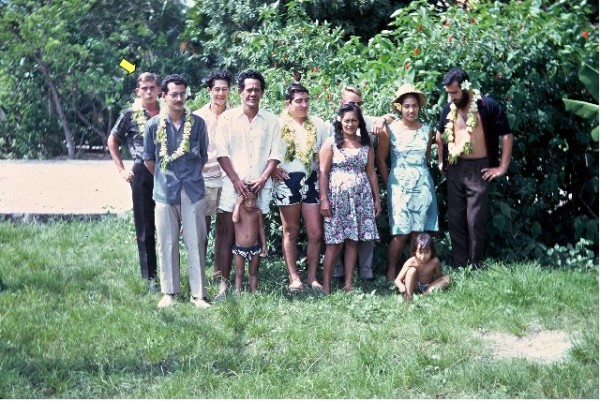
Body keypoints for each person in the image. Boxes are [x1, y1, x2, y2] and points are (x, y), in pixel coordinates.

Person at [143, 74, 210, 308]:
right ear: (164, 96)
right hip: (165, 191)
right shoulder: (153, 125)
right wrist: (165, 179)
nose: (179, 98)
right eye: (174, 94)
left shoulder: (198, 123)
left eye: (183, 94)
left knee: (196, 241)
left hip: (192, 189)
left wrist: (188, 176)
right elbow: (149, 161)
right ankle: (169, 292)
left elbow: (202, 156)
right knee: (167, 241)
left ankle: (198, 295)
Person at [215, 69, 283, 298]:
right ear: (240, 92)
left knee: (254, 233)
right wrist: (235, 180)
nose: (253, 93)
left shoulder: (271, 120)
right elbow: (222, 153)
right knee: (226, 233)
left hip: (259, 187)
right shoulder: (227, 119)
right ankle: (224, 284)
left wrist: (263, 178)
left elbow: (275, 153)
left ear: (262, 93)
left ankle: (252, 285)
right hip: (233, 185)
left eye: (257, 89)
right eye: (249, 89)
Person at [435, 67, 513, 268]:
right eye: (448, 93)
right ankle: (460, 264)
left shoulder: (487, 106)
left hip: (479, 169)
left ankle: (476, 264)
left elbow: (506, 135)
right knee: (455, 219)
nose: (451, 97)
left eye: (455, 92)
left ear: (466, 87)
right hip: (455, 167)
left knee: (474, 220)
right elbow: (439, 134)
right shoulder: (448, 108)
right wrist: (441, 160)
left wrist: (502, 167)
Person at [377, 83, 439, 281]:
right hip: (399, 185)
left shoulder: (426, 130)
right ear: (399, 108)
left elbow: (426, 158)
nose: (411, 110)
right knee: (401, 232)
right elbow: (380, 159)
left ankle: (414, 274)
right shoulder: (390, 130)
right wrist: (390, 183)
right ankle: (391, 272)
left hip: (422, 185)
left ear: (419, 107)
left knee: (417, 232)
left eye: (414, 106)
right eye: (406, 106)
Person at [272, 82, 330, 292]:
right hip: (287, 181)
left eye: (306, 100)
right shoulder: (277, 125)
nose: (304, 105)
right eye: (299, 101)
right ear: (288, 104)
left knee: (315, 232)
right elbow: (265, 151)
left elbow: (325, 153)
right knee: (290, 230)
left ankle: (313, 277)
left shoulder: (318, 124)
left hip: (311, 180)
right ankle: (294, 277)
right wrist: (271, 169)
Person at [332, 85, 394, 280]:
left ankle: (365, 271)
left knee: (365, 229)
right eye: (351, 103)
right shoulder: (333, 125)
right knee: (338, 231)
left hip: (362, 187)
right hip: (338, 188)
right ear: (342, 103)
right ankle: (337, 272)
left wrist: (382, 120)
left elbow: (393, 115)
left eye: (359, 104)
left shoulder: (365, 121)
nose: (355, 106)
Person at [319, 102, 381, 295]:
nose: (350, 124)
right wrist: (324, 199)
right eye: (347, 120)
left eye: (354, 120)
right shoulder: (331, 143)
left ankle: (348, 284)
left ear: (359, 122)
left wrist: (376, 199)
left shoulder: (366, 144)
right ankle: (326, 286)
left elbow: (371, 172)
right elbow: (323, 172)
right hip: (337, 199)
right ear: (340, 121)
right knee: (334, 242)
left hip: (360, 198)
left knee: (353, 241)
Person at [107, 72, 160, 289]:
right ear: (138, 91)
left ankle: (170, 275)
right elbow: (113, 139)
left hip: (167, 172)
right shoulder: (130, 114)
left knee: (169, 225)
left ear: (159, 90)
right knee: (145, 226)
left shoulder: (168, 112)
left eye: (152, 87)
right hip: (141, 173)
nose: (148, 92)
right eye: (144, 88)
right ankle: (150, 279)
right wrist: (121, 169)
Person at [193, 70, 233, 276]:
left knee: (224, 229)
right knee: (202, 228)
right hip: (204, 178)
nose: (220, 93)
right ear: (209, 90)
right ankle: (198, 271)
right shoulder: (198, 116)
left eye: (224, 89)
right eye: (216, 89)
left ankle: (219, 272)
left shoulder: (235, 115)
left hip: (227, 178)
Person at [394, 233, 451, 301]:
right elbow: (397, 280)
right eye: (420, 252)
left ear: (432, 252)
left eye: (427, 252)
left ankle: (425, 294)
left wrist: (439, 284)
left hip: (428, 286)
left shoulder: (435, 261)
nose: (423, 257)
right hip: (414, 286)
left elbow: (439, 277)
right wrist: (402, 287)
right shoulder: (411, 261)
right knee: (411, 270)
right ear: (415, 252)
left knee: (448, 278)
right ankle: (409, 297)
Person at [232, 193, 267, 293]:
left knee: (253, 271)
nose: (251, 203)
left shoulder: (257, 212)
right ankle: (237, 293)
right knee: (239, 272)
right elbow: (235, 219)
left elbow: (261, 228)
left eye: (254, 200)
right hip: (240, 248)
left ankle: (253, 290)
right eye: (247, 200)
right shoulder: (239, 210)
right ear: (241, 199)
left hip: (254, 247)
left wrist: (264, 244)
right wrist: (238, 204)